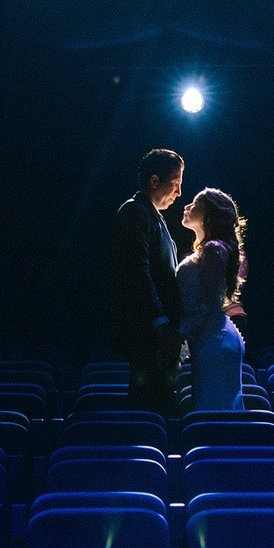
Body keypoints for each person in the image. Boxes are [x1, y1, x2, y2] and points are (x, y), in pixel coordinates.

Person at [109, 148, 185, 416]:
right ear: (155, 181)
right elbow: (137, 273)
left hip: (158, 335)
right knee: (151, 408)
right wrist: (160, 322)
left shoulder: (153, 217)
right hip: (148, 335)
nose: (178, 193)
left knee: (161, 404)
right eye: (175, 184)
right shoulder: (134, 212)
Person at [177, 186, 247, 413]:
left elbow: (206, 303)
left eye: (195, 204)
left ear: (210, 213)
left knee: (215, 411)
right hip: (208, 336)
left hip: (214, 340)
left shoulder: (214, 249)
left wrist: (178, 334)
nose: (187, 206)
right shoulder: (207, 249)